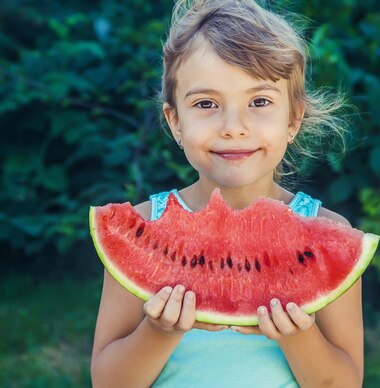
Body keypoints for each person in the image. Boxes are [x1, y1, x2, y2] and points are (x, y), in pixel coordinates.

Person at [90, 0, 363, 386]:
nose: (234, 127)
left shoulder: (329, 235)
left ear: (293, 118)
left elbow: (345, 382)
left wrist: (297, 335)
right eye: (206, 103)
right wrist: (160, 332)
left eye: (260, 102)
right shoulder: (138, 228)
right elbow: (107, 382)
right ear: (175, 121)